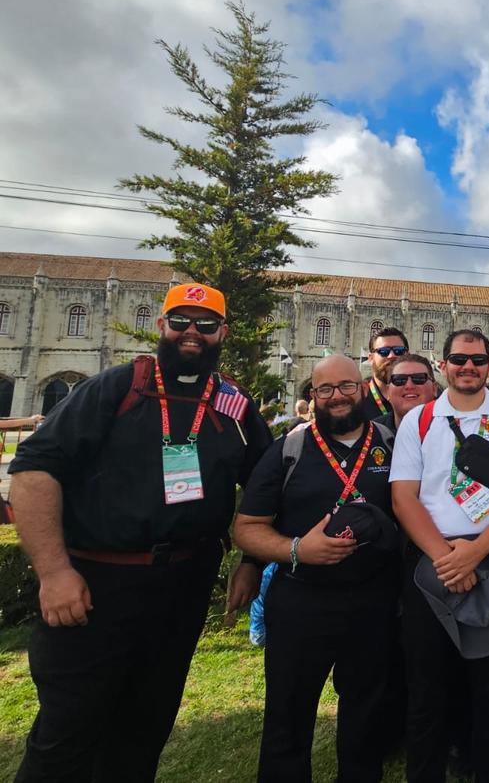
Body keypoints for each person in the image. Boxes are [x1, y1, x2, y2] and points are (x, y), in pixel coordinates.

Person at [8, 282, 273, 782]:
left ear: (224, 333)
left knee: (145, 728)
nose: (192, 333)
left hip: (182, 588)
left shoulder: (231, 404)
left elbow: (266, 484)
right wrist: (55, 572)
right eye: (181, 322)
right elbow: (33, 471)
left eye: (206, 324)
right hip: (95, 587)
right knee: (67, 733)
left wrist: (253, 560)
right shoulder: (115, 387)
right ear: (161, 326)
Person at [234, 354, 402, 783]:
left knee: (366, 713)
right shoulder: (288, 449)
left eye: (346, 386)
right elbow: (247, 527)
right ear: (313, 396)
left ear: (363, 389)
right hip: (301, 600)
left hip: (371, 599)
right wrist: (296, 549)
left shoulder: (393, 443)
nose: (337, 397)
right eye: (324, 390)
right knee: (288, 714)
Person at [390, 329, 489, 783]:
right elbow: (403, 498)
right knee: (427, 686)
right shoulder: (419, 420)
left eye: (478, 361)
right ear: (444, 364)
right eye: (460, 359)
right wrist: (446, 557)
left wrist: (474, 553)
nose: (469, 368)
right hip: (430, 562)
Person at [362, 326, 410, 421]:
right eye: (384, 351)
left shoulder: (421, 396)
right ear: (371, 358)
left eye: (398, 351)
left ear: (407, 355)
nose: (391, 356)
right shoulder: (358, 400)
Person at [385, 353, 441, 424]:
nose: (409, 386)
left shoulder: (452, 432)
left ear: (434, 389)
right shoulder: (374, 432)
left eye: (419, 378)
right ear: (388, 391)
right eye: (399, 379)